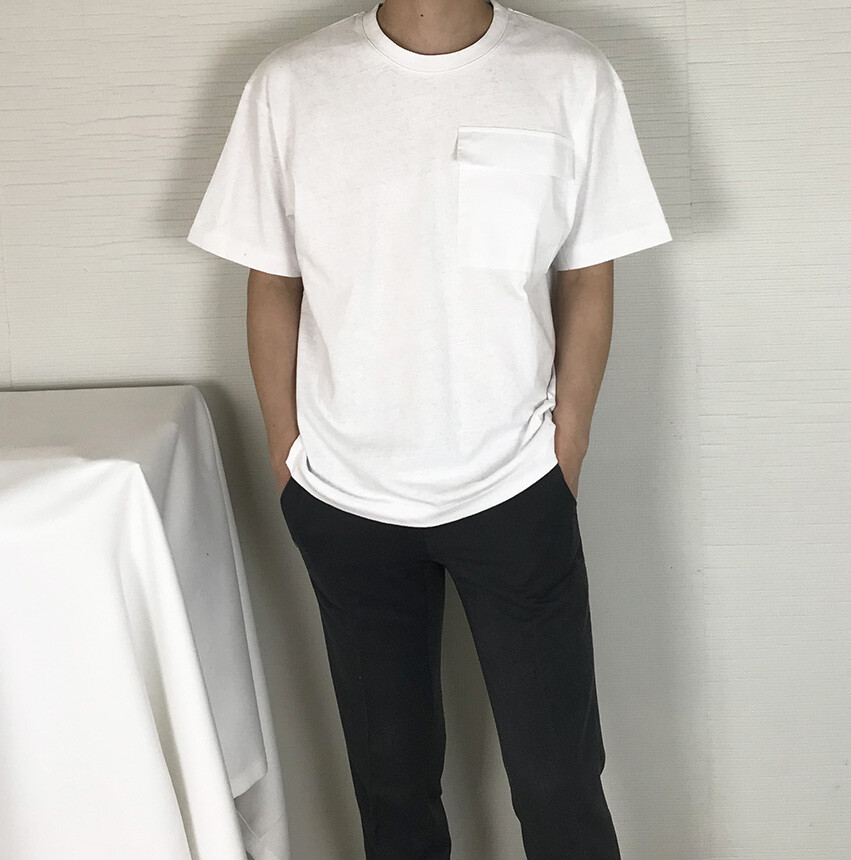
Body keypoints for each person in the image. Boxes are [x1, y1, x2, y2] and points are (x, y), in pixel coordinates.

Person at [187, 0, 671, 856]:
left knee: (559, 783)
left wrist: (566, 448)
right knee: (392, 789)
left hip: (516, 484)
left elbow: (586, 277)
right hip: (344, 494)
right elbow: (273, 283)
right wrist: (288, 458)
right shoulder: (291, 85)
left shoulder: (571, 75)